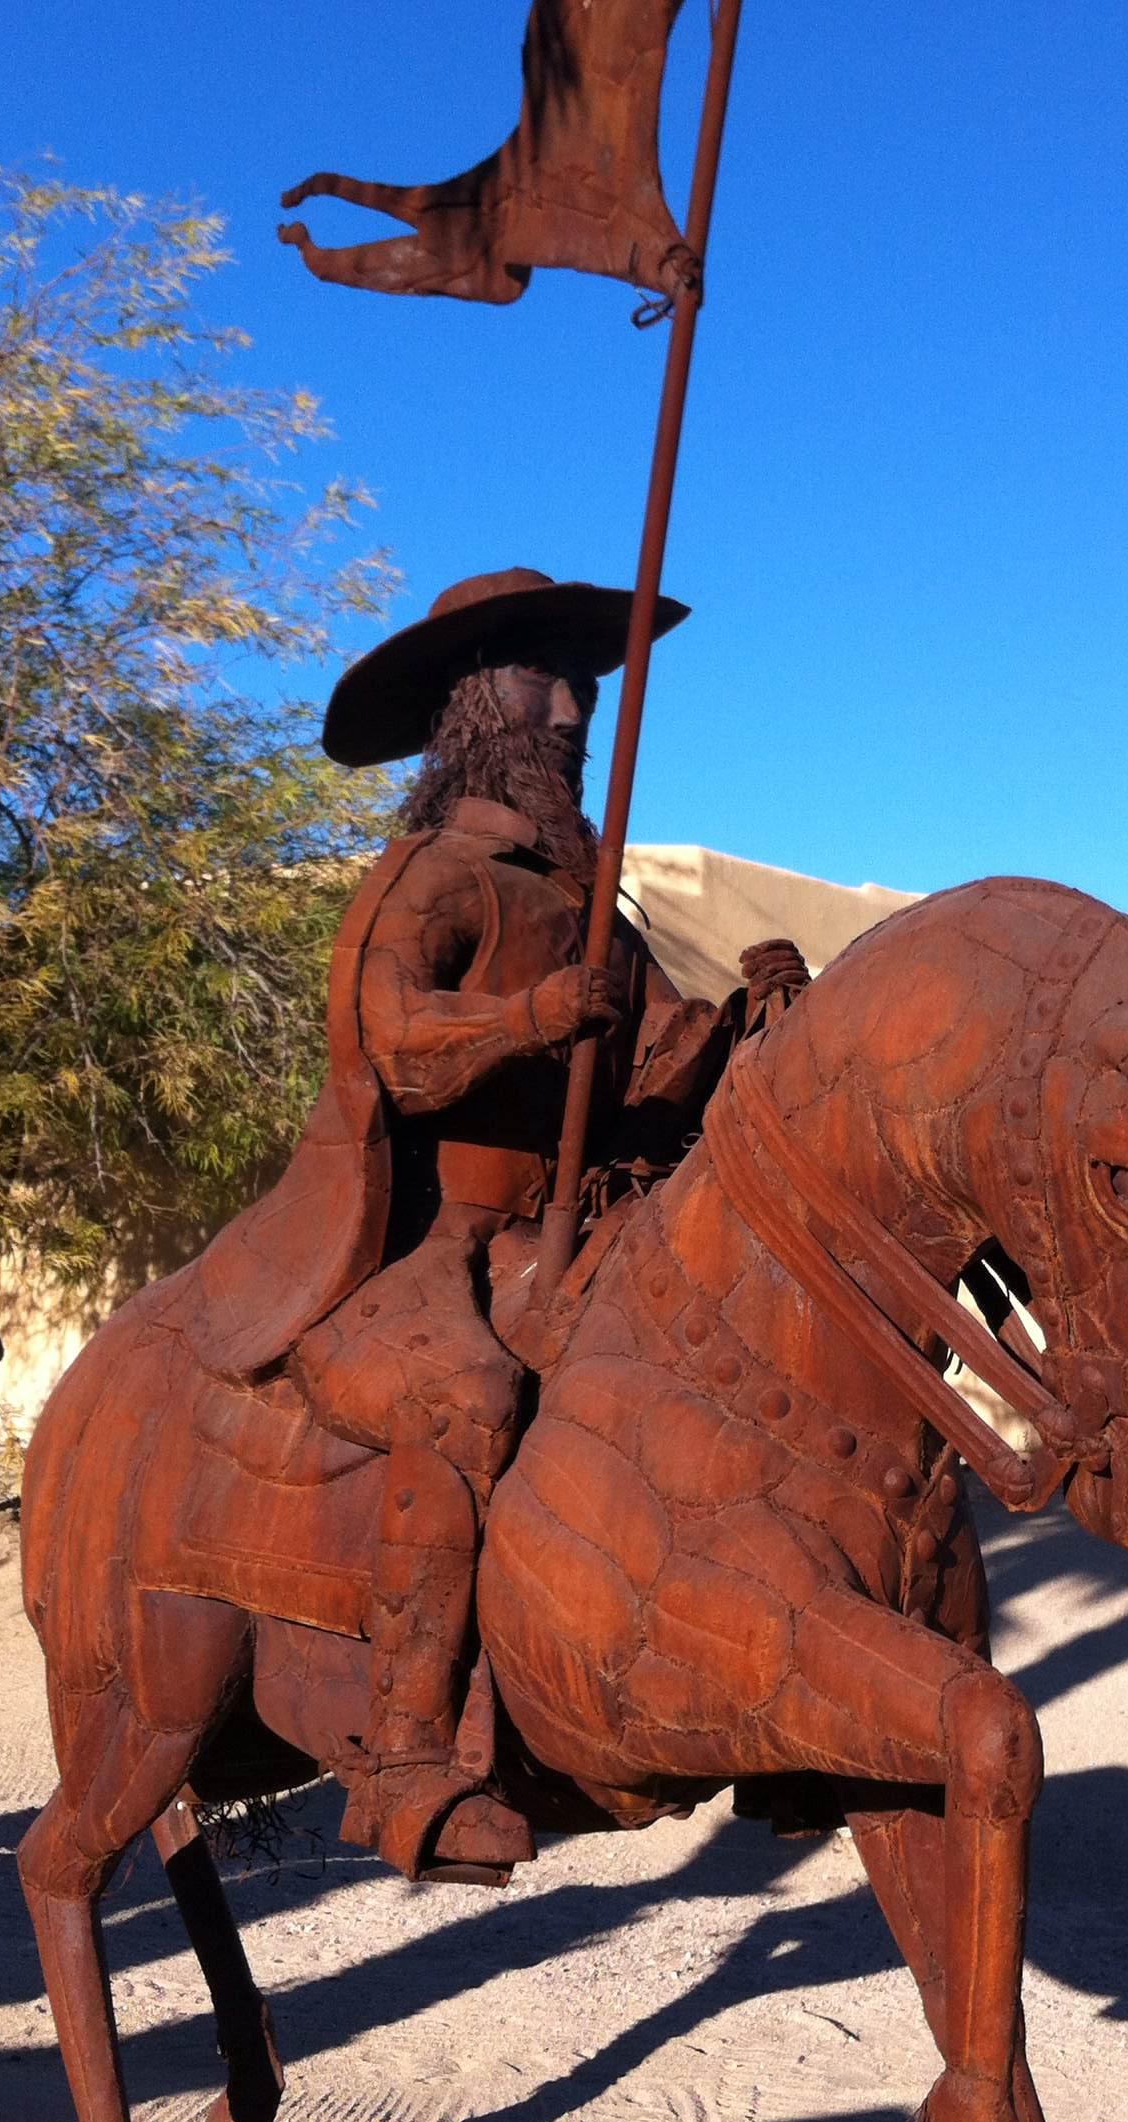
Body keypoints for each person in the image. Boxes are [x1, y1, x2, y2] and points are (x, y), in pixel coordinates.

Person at [179, 567, 806, 1881]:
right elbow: (391, 1042)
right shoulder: (431, 877)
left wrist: (742, 1032)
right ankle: (410, 1762)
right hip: (425, 1249)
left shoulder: (595, 911)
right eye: (544, 676)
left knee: (726, 1360)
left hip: (574, 1229)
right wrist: (525, 1019)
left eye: (582, 680)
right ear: (478, 705)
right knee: (466, 1393)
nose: (575, 705)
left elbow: (642, 1073)